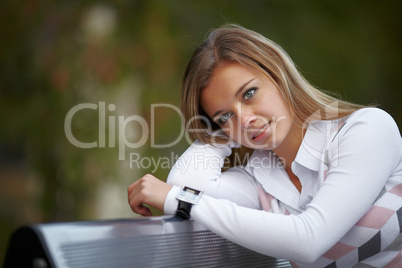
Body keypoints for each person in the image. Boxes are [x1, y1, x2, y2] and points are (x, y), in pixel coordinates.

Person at [127, 24, 402, 267]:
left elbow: (309, 240)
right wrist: (221, 132)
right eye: (224, 115)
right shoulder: (259, 179)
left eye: (249, 93)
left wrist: (181, 201)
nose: (246, 120)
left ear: (278, 73)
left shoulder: (368, 129)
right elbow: (185, 182)